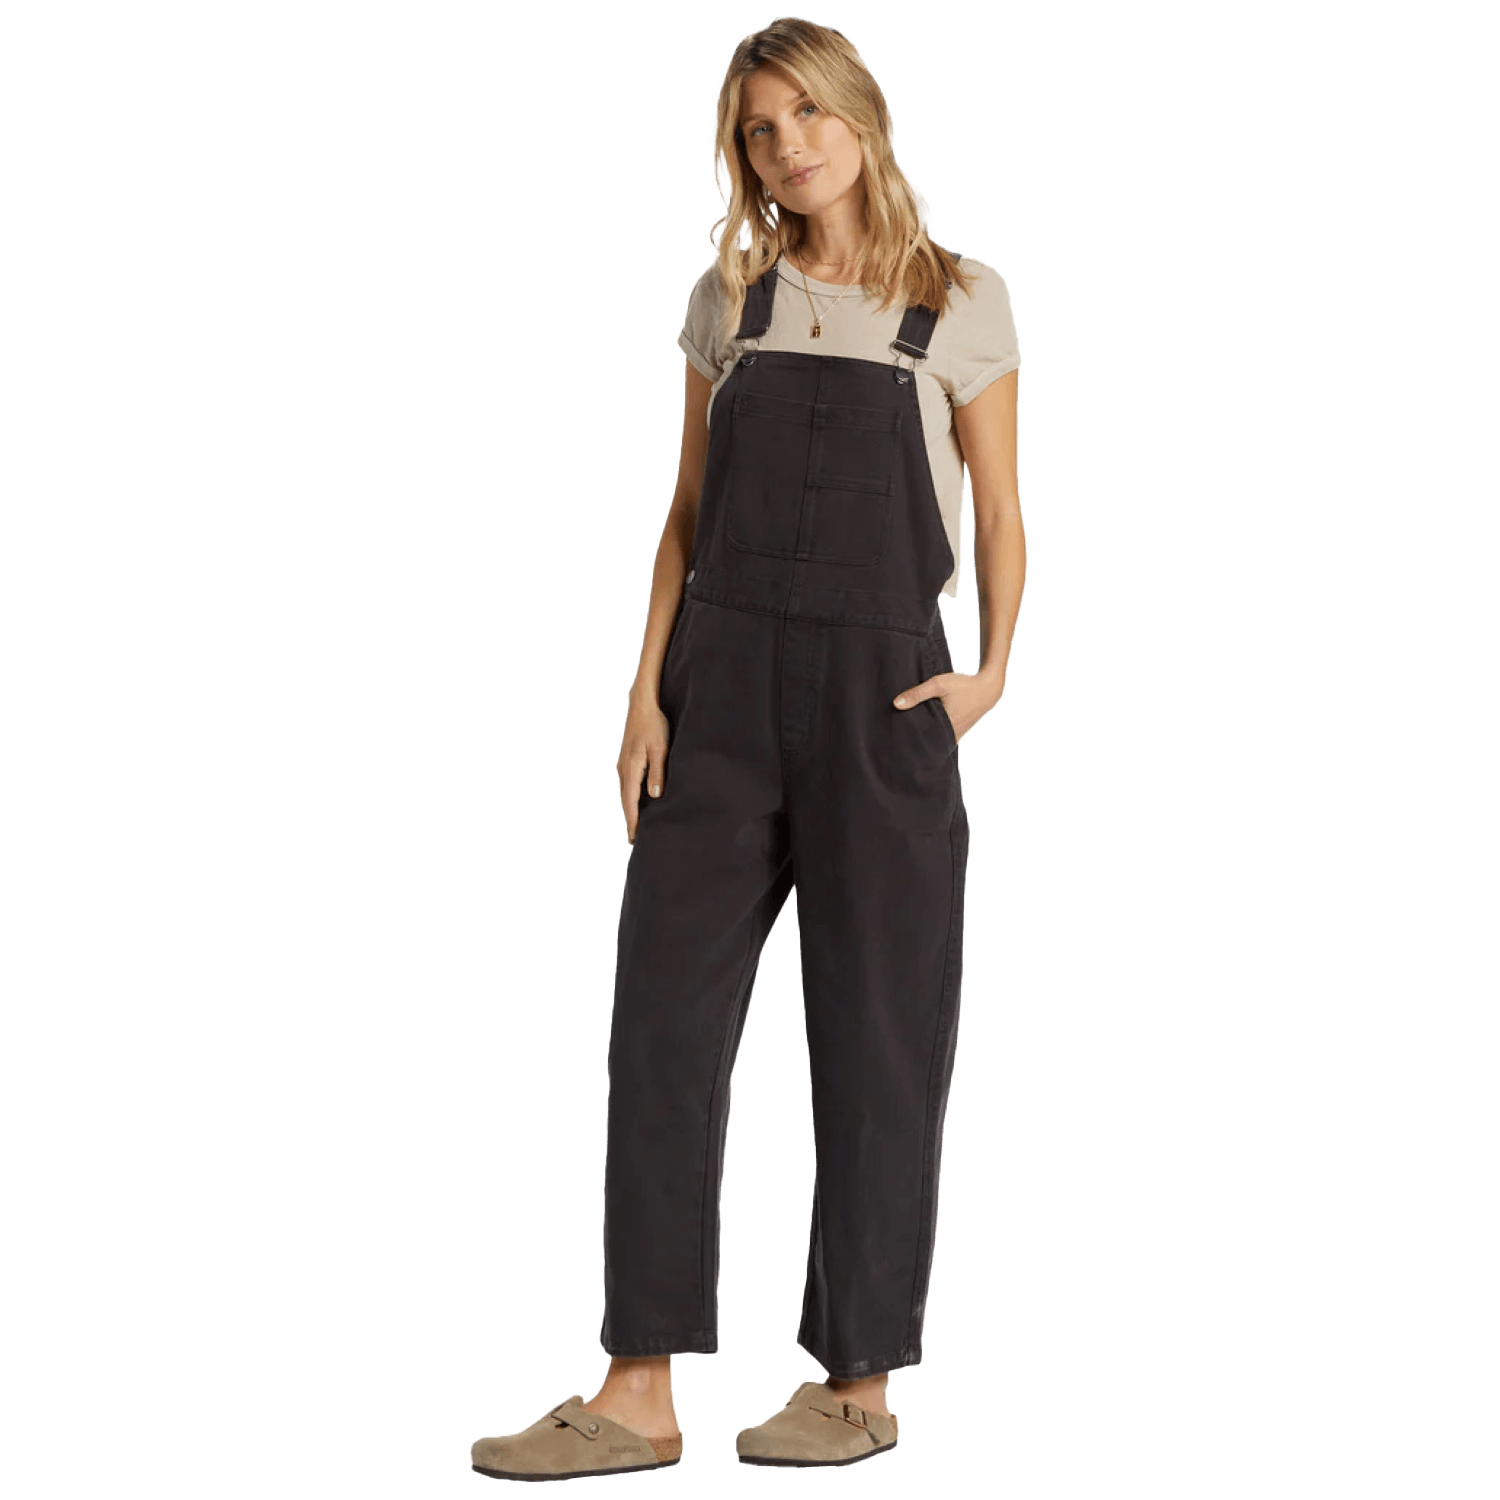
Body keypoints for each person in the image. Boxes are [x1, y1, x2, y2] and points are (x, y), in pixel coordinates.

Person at [471, 14, 1025, 1482]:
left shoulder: (960, 300)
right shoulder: (733, 295)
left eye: (807, 114)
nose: (787, 145)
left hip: (884, 699)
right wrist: (643, 694)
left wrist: (989, 674)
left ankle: (854, 1384)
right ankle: (637, 1390)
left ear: (863, 116)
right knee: (660, 1024)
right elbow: (684, 513)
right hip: (713, 694)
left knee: (878, 1036)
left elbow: (1000, 508)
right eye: (758, 127)